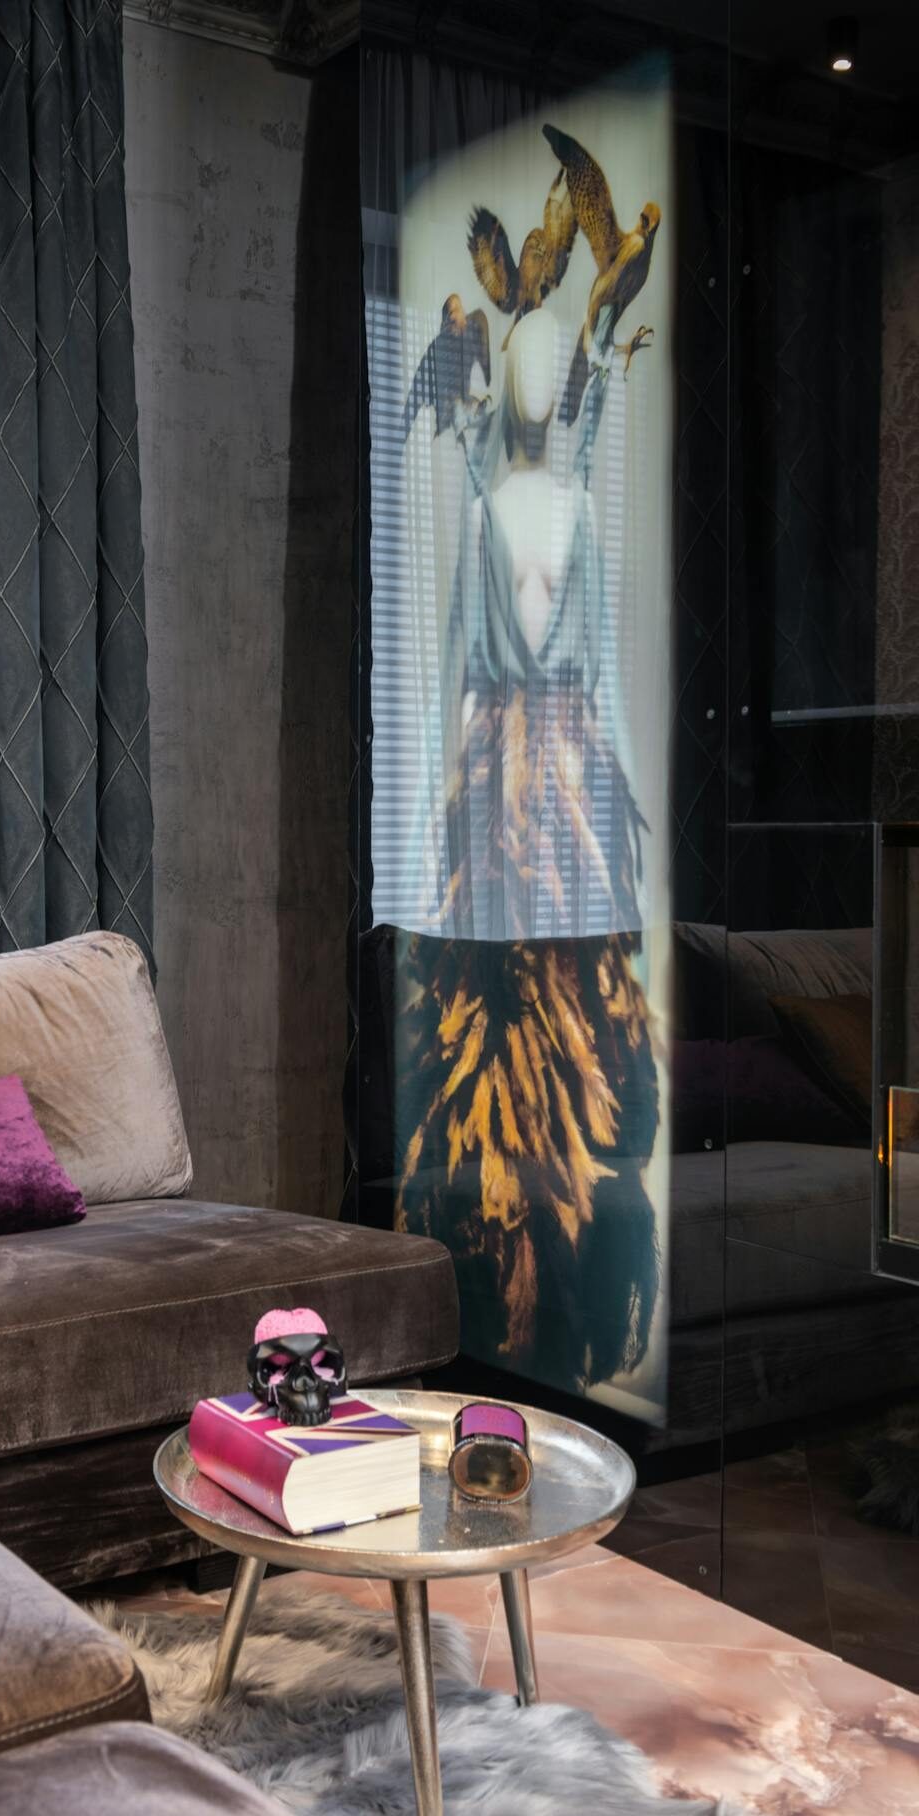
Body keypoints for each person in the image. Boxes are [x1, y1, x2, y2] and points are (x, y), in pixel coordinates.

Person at [395, 306, 660, 1397]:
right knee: (495, 1026)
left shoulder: (580, 508)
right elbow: (453, 673)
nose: (542, 378)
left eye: (558, 361)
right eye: (528, 359)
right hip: (496, 792)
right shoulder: (482, 508)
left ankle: (572, 1304)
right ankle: (495, 1298)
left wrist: (632, 821)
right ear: (505, 378)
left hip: (576, 789)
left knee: (579, 1015)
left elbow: (605, 673)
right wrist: (430, 819)